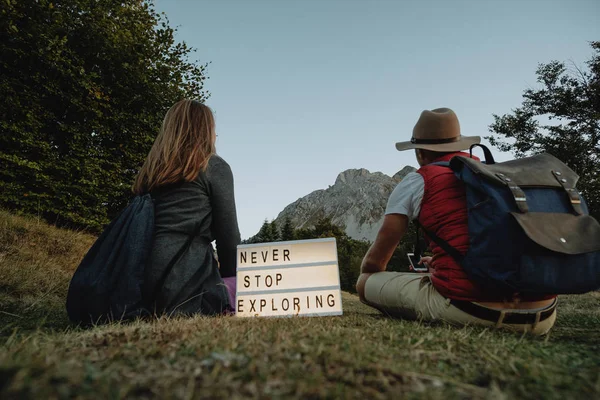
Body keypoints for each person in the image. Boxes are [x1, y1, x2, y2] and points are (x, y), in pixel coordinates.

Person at [355, 108, 557, 335]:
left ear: (420, 153)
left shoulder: (419, 180)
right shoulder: (496, 176)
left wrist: (367, 274)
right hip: (542, 314)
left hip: (470, 310)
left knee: (365, 281)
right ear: (458, 145)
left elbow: (375, 262)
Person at [132, 99, 240, 316]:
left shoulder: (150, 173)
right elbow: (228, 238)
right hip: (187, 287)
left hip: (140, 286)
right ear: (205, 131)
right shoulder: (213, 166)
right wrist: (232, 282)